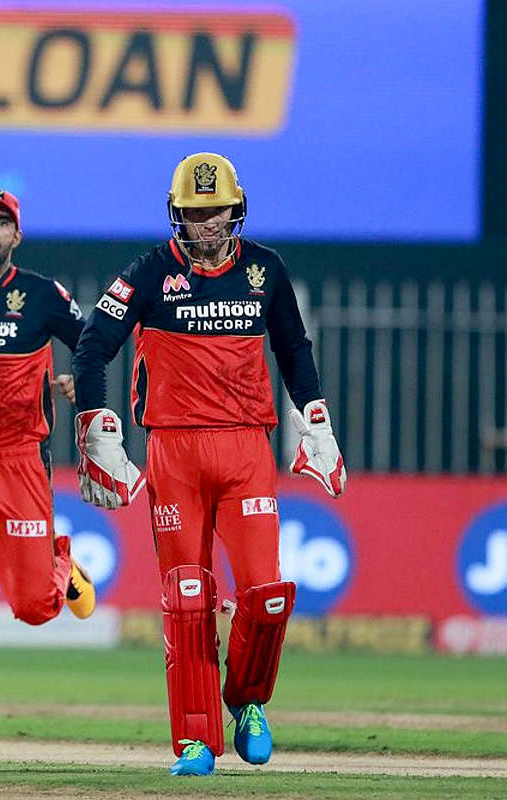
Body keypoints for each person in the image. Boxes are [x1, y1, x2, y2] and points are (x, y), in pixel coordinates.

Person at [71, 152, 346, 776]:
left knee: (266, 594)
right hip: (174, 450)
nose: (205, 227)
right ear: (177, 215)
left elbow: (294, 349)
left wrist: (317, 419)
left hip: (248, 447)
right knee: (186, 598)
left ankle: (247, 701)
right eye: (193, 215)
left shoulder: (265, 271)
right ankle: (195, 739)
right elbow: (92, 347)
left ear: (236, 209)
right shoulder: (148, 273)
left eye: (214, 212)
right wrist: (94, 426)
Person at [0, 188, 98, 640]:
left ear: (17, 236)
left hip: (18, 463)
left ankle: (58, 559)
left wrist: (80, 382)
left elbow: (93, 344)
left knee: (35, 607)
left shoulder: (40, 295)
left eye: (2, 223)